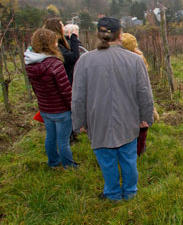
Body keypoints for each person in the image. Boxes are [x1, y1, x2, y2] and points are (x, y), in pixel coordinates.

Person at [72, 17, 154, 201]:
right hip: (128, 121)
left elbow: (77, 97)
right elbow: (145, 94)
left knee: (106, 161)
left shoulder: (85, 61)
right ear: (120, 35)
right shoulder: (135, 60)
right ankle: (130, 192)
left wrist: (79, 123)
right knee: (128, 159)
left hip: (97, 121)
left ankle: (113, 193)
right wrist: (146, 117)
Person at [24, 29, 77, 168]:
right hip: (61, 110)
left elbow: (35, 88)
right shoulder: (55, 64)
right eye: (54, 40)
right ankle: (69, 166)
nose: (56, 43)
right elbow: (65, 90)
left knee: (50, 137)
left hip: (45, 109)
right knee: (63, 141)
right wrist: (73, 107)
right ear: (49, 44)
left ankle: (53, 162)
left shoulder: (30, 63)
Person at [121, 32, 159, 156]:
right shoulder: (138, 58)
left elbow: (143, 87)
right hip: (135, 101)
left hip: (131, 101)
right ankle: (138, 150)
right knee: (140, 129)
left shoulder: (135, 61)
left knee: (138, 129)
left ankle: (137, 151)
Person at [44, 18, 80, 85]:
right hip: (64, 81)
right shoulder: (55, 46)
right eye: (62, 26)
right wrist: (74, 38)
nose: (64, 29)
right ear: (57, 29)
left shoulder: (49, 43)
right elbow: (73, 57)